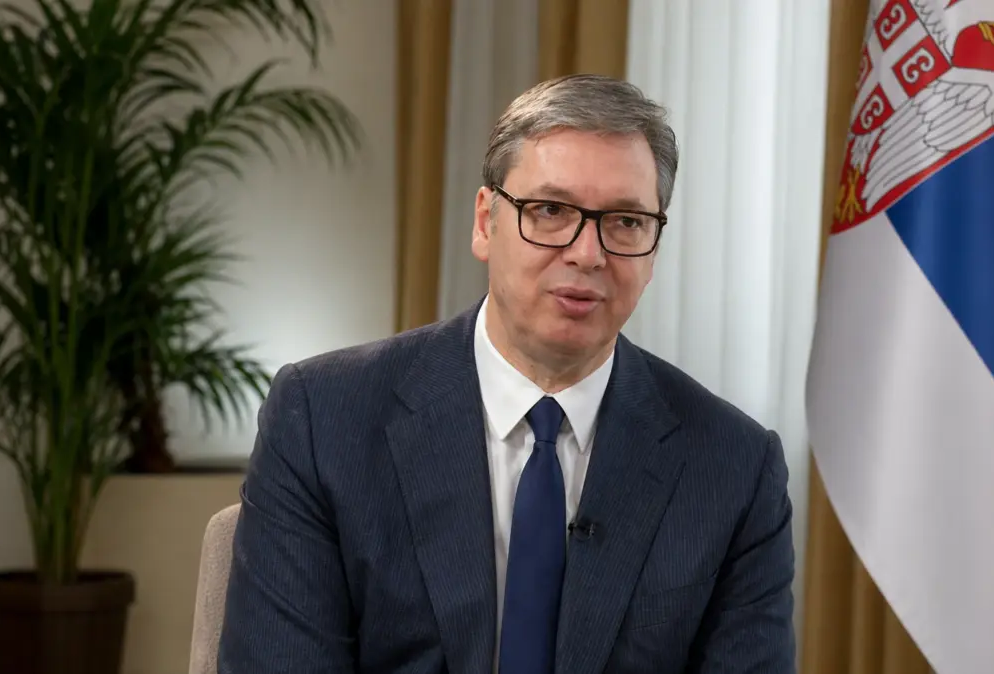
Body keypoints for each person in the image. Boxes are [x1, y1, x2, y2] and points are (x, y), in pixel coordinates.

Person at [218, 74, 795, 674]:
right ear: (485, 222)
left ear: (653, 249)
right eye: (550, 211)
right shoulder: (323, 419)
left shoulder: (733, 465)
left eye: (626, 222)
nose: (587, 253)